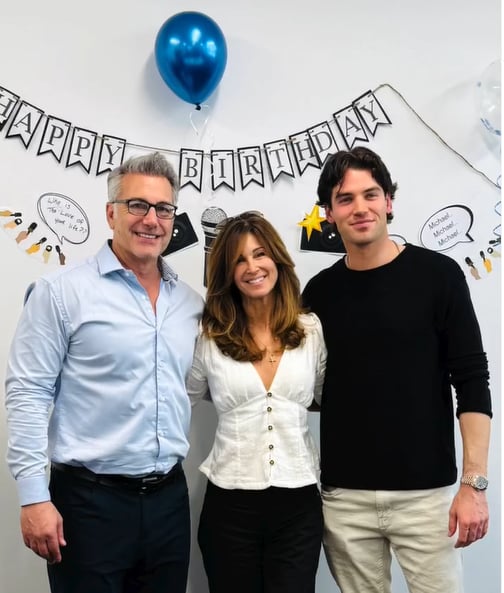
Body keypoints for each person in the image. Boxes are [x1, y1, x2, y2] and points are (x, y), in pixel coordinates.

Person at [5, 152, 204, 593]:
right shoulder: (61, 293)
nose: (151, 220)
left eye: (163, 209)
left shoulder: (190, 304)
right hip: (89, 504)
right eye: (137, 205)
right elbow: (28, 393)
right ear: (111, 213)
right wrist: (34, 496)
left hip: (169, 503)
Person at [302, 146, 492, 593]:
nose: (360, 208)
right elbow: (307, 387)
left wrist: (474, 484)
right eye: (345, 199)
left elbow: (471, 381)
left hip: (426, 498)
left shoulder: (439, 276)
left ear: (389, 201)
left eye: (371, 194)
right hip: (345, 499)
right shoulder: (319, 293)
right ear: (328, 213)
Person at [186, 211, 327, 593]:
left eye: (260, 254)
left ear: (277, 258)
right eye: (239, 260)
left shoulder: (310, 330)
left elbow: (325, 396)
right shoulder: (210, 335)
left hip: (298, 504)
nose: (252, 267)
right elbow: (180, 400)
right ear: (227, 272)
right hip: (229, 506)